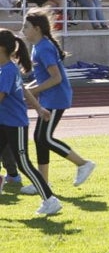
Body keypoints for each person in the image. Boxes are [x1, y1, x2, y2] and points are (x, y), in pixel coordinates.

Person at [20, 9, 95, 190]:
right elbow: (45, 76)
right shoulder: (39, 46)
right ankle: (43, 182)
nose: (22, 30)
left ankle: (83, 163)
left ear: (37, 29)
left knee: (44, 138)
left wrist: (34, 91)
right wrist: (29, 90)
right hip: (49, 98)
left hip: (55, 98)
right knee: (40, 138)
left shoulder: (44, 48)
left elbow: (56, 78)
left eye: (26, 27)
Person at [0, 29, 62, 217]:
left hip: (15, 124)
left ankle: (50, 200)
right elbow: (25, 91)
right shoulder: (7, 68)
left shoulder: (8, 71)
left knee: (24, 164)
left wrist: (38, 109)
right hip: (4, 123)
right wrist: (39, 108)